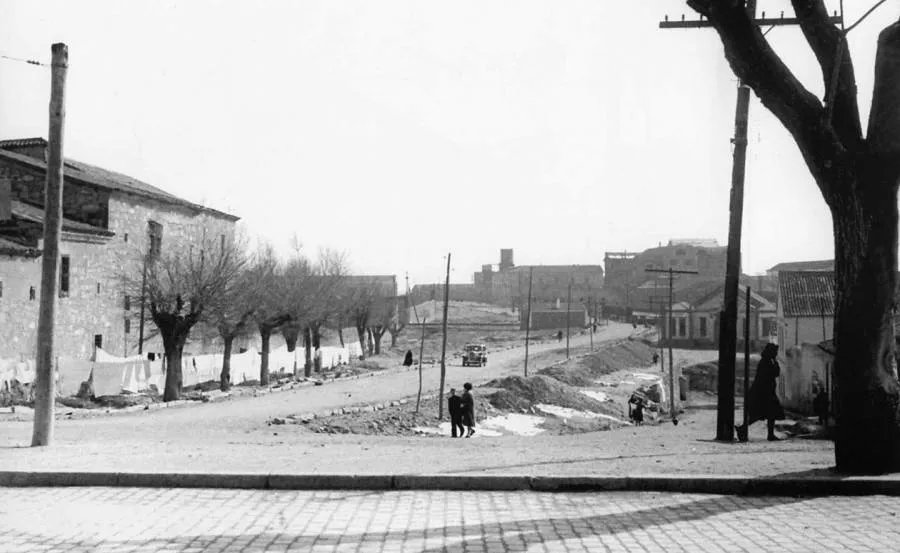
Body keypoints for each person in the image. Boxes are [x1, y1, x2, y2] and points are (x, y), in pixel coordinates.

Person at [736, 342, 785, 442]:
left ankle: (768, 434)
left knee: (769, 414)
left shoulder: (768, 361)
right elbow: (774, 374)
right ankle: (743, 428)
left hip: (767, 392)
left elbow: (776, 373)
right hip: (763, 393)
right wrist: (775, 363)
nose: (776, 353)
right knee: (762, 414)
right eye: (775, 351)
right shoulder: (765, 362)